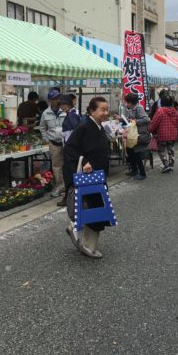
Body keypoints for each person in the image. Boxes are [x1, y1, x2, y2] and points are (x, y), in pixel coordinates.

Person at [63, 97, 112, 259]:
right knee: (94, 210)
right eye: (102, 110)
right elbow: (70, 149)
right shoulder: (84, 127)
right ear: (92, 110)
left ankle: (75, 229)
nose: (106, 113)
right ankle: (88, 245)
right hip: (89, 176)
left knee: (93, 208)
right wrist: (84, 161)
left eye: (106, 109)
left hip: (97, 176)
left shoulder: (98, 127)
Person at [39, 89, 66, 198]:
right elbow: (42, 127)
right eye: (55, 98)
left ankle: (68, 186)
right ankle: (59, 187)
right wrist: (46, 139)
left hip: (66, 143)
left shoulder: (65, 110)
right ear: (50, 100)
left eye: (58, 98)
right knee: (57, 167)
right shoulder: (46, 113)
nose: (57, 100)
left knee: (68, 165)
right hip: (54, 143)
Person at [118, 93, 150, 180]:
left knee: (137, 153)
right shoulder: (131, 109)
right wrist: (121, 119)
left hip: (139, 135)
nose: (126, 104)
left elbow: (146, 119)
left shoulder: (138, 108)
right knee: (130, 151)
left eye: (127, 102)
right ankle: (134, 170)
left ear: (131, 102)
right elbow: (129, 121)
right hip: (132, 135)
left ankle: (142, 173)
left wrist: (134, 121)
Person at [149, 96, 178, 172]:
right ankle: (171, 164)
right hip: (172, 134)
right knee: (171, 149)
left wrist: (150, 130)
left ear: (162, 102)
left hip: (162, 134)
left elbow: (154, 123)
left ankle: (166, 164)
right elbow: (177, 123)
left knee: (161, 150)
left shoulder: (160, 111)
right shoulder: (175, 111)